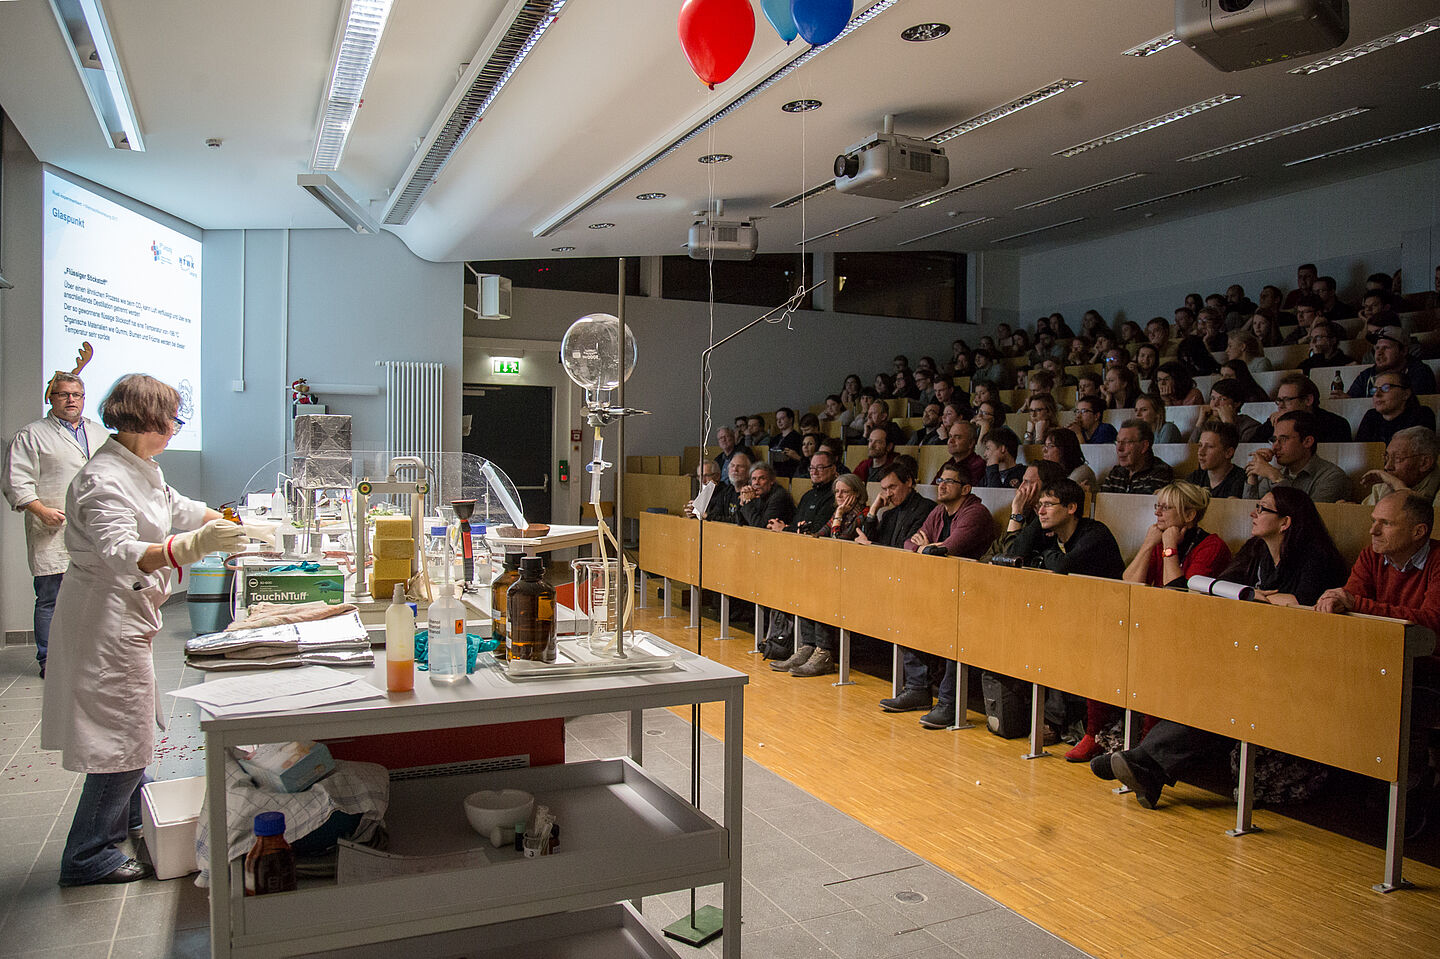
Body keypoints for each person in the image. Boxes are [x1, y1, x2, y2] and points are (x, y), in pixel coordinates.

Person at [40, 374, 247, 885]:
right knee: (120, 734)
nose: (174, 430)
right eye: (170, 421)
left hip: (126, 614)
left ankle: (132, 818)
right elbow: (121, 553)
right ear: (144, 420)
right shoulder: (101, 479)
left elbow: (175, 508)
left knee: (130, 727)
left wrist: (231, 521)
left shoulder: (138, 467)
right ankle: (88, 855)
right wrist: (193, 547)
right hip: (104, 619)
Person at [1091, 487, 1348, 808]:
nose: (1253, 513)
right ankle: (1145, 763)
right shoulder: (1257, 549)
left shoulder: (1316, 558)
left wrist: (1258, 596)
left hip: (1295, 661)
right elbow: (1218, 589)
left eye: (1263, 509)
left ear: (1285, 523)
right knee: (1207, 679)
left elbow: (1301, 609)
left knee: (1221, 690)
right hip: (1249, 649)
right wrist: (1261, 596)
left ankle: (1144, 762)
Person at [1065, 482, 1232, 763]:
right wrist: (1148, 545)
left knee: (1156, 664)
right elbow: (1129, 583)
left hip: (1192, 636)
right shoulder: (1159, 540)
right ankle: (1094, 734)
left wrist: (1168, 549)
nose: (1158, 513)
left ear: (1190, 515)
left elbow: (1177, 595)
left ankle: (1145, 750)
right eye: (1157, 506)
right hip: (1153, 626)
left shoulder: (1212, 546)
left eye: (1166, 507)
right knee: (1104, 649)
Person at [3, 373, 106, 678]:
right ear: (51, 398)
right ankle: (49, 661)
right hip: (52, 526)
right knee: (51, 596)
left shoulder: (99, 433)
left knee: (93, 595)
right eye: (63, 394)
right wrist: (41, 511)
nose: (71, 399)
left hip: (93, 528)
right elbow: (16, 481)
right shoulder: (32, 435)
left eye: (76, 394)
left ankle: (87, 656)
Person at [880, 465, 996, 726]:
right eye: (940, 480)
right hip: (940, 589)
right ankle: (918, 690)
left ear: (965, 489)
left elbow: (949, 548)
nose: (941, 485)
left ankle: (948, 702)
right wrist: (925, 548)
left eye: (949, 482)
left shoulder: (975, 514)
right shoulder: (939, 511)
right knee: (908, 613)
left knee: (955, 634)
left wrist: (926, 547)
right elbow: (910, 543)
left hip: (973, 594)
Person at [768, 470, 861, 678]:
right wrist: (807, 534)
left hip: (852, 577)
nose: (839, 496)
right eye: (836, 491)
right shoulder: (838, 513)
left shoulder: (860, 515)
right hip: (832, 571)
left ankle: (824, 652)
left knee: (820, 593)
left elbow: (839, 542)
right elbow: (820, 535)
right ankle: (808, 646)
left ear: (856, 494)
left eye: (844, 492)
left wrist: (837, 516)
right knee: (808, 588)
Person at [1243, 410, 1351, 503]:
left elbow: (1306, 518)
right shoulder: (1273, 473)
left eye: (1284, 439)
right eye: (1274, 440)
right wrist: (1253, 476)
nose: (1275, 447)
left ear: (1307, 442)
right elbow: (1252, 514)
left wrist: (1277, 478)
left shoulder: (1332, 477)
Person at [1252, 372, 1352, 444]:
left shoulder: (1337, 425)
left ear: (1308, 400)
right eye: (1279, 400)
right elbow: (1253, 445)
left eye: (1287, 400)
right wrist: (1272, 425)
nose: (1281, 406)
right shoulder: (1275, 421)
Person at [1344, 325, 1437, 398]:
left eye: (1386, 348)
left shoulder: (1420, 372)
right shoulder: (1366, 376)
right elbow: (1352, 400)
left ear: (1404, 351)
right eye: (1377, 348)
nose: (1379, 353)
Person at [1361, 427, 1440, 506]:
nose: (1387, 467)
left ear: (1424, 463)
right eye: (1387, 457)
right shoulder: (1383, 486)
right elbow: (1363, 516)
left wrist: (1399, 486)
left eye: (1397, 458)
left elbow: (1419, 516)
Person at [1356, 371, 1436, 445]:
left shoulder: (1422, 415)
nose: (1377, 394)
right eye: (1374, 390)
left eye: (1385, 388)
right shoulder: (1371, 416)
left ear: (1406, 394)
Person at [1100, 420, 1174, 494]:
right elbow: (1103, 503)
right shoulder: (1115, 473)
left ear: (1144, 446)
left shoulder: (1161, 472)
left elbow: (1142, 504)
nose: (1119, 448)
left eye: (1126, 442)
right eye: (1118, 442)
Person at [1188, 378, 1261, 444]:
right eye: (1213, 398)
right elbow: (1191, 449)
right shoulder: (1210, 423)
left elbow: (1237, 453)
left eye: (1222, 399)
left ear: (1236, 404)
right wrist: (1200, 422)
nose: (1215, 404)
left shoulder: (1250, 426)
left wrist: (1229, 424)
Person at [1187, 421, 1247, 498]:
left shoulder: (1242, 479)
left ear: (1228, 453)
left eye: (1210, 447)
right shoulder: (1194, 478)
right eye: (1200, 445)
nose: (1201, 452)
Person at [1042, 427, 1095, 492]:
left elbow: (1057, 496)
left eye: (1050, 446)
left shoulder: (1083, 472)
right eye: (1045, 445)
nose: (1044, 450)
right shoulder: (1051, 471)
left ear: (1065, 449)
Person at [935, 420, 985, 485]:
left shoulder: (978, 465)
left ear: (971, 443)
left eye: (957, 437)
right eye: (950, 436)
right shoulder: (949, 463)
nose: (951, 441)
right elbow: (934, 487)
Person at [768, 407, 805, 478]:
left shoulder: (798, 438)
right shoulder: (774, 439)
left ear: (790, 419)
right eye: (777, 419)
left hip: (790, 473)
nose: (779, 422)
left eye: (782, 419)